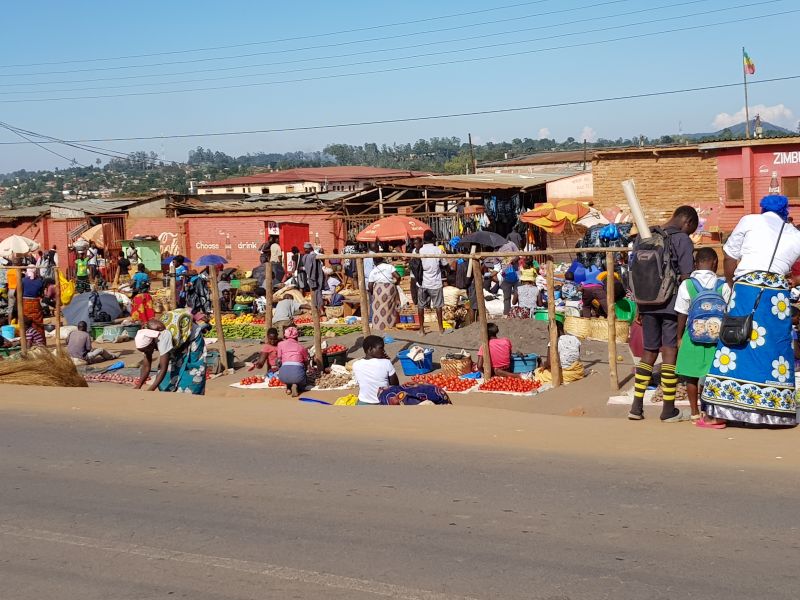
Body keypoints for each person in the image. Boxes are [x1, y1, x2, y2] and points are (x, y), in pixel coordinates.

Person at [701, 195, 800, 428]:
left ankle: (718, 414)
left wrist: (731, 285)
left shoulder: (749, 221)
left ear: (763, 208)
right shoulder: (795, 235)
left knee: (734, 342)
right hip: (777, 297)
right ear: (785, 212)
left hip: (745, 290)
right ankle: (776, 414)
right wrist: (794, 279)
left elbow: (730, 256)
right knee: (775, 348)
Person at [628, 205, 698, 422]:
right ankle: (668, 409)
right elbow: (686, 277)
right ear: (687, 222)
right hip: (670, 304)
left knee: (649, 352)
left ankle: (636, 407)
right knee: (669, 352)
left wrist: (640, 306)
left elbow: (638, 273)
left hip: (646, 302)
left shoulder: (645, 235)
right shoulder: (681, 239)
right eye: (692, 229)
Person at [674, 248, 731, 422]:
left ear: (695, 264)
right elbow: (728, 312)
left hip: (693, 336)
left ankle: (694, 412)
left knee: (691, 376)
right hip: (717, 339)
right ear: (715, 263)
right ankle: (710, 411)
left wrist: (679, 337)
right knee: (713, 376)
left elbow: (682, 313)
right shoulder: (723, 286)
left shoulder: (687, 285)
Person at [135, 312, 208, 394]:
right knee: (166, 381)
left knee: (192, 370)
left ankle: (190, 394)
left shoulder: (162, 338)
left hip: (192, 337)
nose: (147, 352)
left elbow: (163, 368)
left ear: (151, 343)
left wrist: (151, 390)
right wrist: (138, 385)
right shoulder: (146, 339)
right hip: (176, 342)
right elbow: (146, 366)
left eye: (147, 349)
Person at [352, 335, 400, 405]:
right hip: (382, 401)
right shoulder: (386, 363)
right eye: (381, 348)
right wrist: (385, 360)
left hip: (363, 402)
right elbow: (395, 385)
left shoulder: (356, 364)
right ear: (370, 349)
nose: (383, 351)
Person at [417, 230, 448, 334]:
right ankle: (440, 329)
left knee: (421, 306)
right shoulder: (438, 250)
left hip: (423, 283)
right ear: (433, 239)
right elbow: (444, 263)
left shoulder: (420, 250)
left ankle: (421, 330)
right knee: (438, 306)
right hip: (435, 282)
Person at [367, 257, 400, 331]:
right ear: (383, 260)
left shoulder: (373, 271)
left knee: (377, 308)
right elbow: (398, 276)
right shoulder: (389, 266)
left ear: (374, 263)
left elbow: (370, 285)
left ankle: (378, 326)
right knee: (390, 307)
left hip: (378, 290)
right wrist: (396, 284)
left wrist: (372, 293)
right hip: (389, 288)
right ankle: (390, 325)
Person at [276, 326, 309, 397]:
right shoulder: (301, 347)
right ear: (297, 337)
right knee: (303, 383)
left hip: (283, 376)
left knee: (284, 367)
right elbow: (306, 361)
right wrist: (306, 369)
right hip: (297, 374)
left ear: (285, 336)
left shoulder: (280, 344)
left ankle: (288, 387)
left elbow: (279, 359)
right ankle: (298, 386)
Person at [21, 268, 44, 340]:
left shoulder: (23, 280)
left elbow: (18, 293)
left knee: (26, 322)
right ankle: (40, 341)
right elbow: (41, 294)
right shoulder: (39, 281)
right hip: (35, 303)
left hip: (25, 303)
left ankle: (28, 341)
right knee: (38, 322)